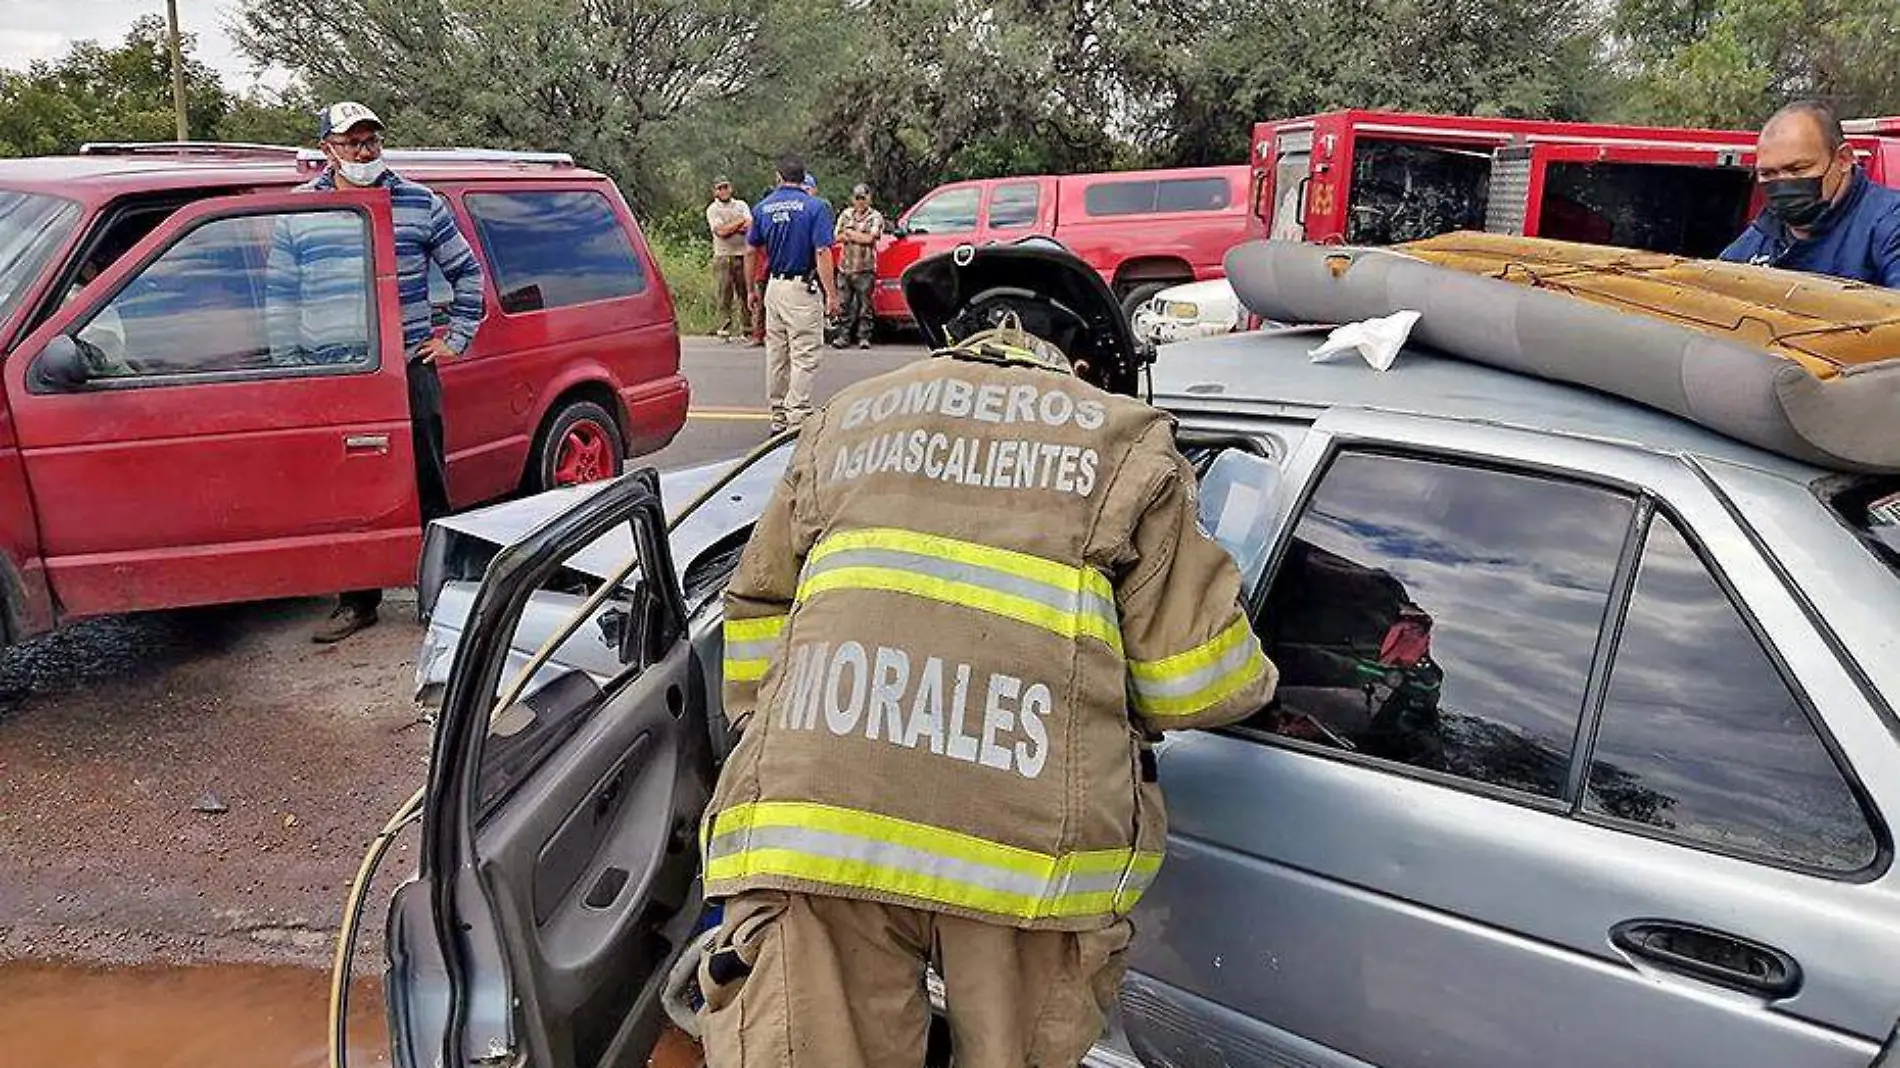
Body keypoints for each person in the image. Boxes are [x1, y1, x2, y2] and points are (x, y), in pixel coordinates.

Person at [696, 243, 1279, 1068]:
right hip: (1026, 867)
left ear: (960, 339)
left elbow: (756, 616)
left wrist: (798, 738)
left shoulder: (847, 418)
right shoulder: (1126, 443)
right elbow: (1197, 683)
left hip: (815, 833)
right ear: (1081, 361)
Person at [293, 101, 486, 642]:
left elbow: (467, 273)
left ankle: (445, 599)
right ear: (328, 148)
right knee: (347, 490)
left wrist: (456, 338)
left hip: (407, 369)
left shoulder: (420, 203)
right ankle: (357, 601)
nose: (364, 151)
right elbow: (283, 295)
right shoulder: (301, 211)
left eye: (371, 140)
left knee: (428, 482)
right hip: (335, 376)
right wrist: (292, 363)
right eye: (352, 142)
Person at [1721, 100, 1900, 286]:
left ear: (1843, 159)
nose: (1783, 182)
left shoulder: (1889, 224)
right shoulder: (1762, 234)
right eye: (1768, 173)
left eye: (1798, 169)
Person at [745, 157, 840, 433]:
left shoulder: (763, 207)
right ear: (803, 178)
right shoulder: (816, 207)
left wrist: (752, 288)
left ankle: (778, 415)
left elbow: (751, 250)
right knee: (805, 354)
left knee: (777, 354)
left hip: (774, 287)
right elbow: (822, 251)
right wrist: (831, 294)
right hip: (801, 288)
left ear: (779, 177)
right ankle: (797, 416)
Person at [831, 183, 884, 350]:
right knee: (844, 304)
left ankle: (864, 337)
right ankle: (843, 336)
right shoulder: (846, 214)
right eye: (857, 198)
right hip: (845, 266)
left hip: (865, 267)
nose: (860, 201)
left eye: (863, 198)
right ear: (852, 199)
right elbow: (836, 236)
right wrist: (855, 235)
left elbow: (870, 239)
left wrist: (851, 234)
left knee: (865, 306)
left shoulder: (875, 216)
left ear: (869, 198)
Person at [706, 177, 752, 341]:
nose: (723, 191)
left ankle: (748, 328)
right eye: (720, 188)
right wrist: (738, 223)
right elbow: (721, 232)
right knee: (724, 292)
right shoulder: (713, 209)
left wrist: (733, 226)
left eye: (725, 187)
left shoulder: (741, 205)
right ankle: (725, 327)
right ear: (714, 191)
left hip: (743, 254)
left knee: (745, 292)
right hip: (723, 255)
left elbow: (749, 225)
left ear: (731, 188)